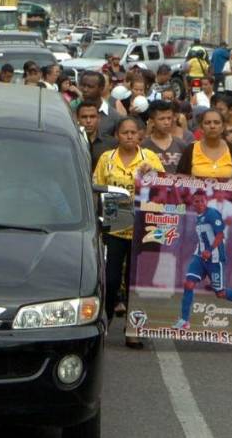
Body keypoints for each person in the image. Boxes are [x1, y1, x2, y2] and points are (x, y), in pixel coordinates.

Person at [93, 117, 164, 320]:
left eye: (133, 132)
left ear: (139, 135)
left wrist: (152, 174)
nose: (129, 136)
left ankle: (134, 327)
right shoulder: (107, 158)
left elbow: (164, 187)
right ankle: (104, 320)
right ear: (117, 135)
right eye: (125, 132)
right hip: (114, 226)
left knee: (135, 279)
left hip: (142, 227)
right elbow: (95, 187)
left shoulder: (149, 157)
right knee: (111, 278)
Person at [172, 191, 232, 330]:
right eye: (196, 201)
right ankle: (184, 320)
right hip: (199, 257)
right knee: (188, 284)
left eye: (202, 201)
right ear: (193, 203)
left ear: (206, 201)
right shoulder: (199, 217)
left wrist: (209, 250)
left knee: (220, 293)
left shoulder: (212, 214)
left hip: (214, 258)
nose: (199, 204)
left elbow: (220, 235)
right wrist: (203, 251)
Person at [176, 109, 232, 179]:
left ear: (223, 127)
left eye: (216, 122)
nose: (212, 126)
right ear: (201, 128)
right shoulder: (190, 149)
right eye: (207, 123)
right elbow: (179, 180)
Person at [142, 100, 188, 173]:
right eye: (162, 119)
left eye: (169, 118)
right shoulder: (143, 146)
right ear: (152, 121)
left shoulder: (181, 145)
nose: (166, 122)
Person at [77, 101, 114, 170]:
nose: (88, 121)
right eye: (84, 117)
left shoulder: (111, 144)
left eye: (92, 117)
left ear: (99, 119)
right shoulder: (72, 143)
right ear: (77, 119)